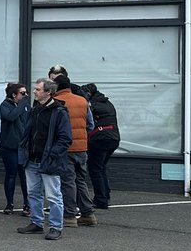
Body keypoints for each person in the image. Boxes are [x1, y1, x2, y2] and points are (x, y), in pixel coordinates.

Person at [17, 79, 73, 240]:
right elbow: (28, 132)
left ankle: (56, 227)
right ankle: (37, 223)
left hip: (48, 160)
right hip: (32, 159)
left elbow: (65, 138)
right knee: (33, 193)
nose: (34, 91)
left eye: (38, 89)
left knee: (54, 195)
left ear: (48, 92)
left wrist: (52, 154)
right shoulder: (36, 110)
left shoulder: (59, 112)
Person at [53, 74, 97, 227]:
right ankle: (88, 213)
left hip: (66, 148)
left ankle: (70, 215)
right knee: (81, 180)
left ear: (57, 86)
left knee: (68, 182)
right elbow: (90, 125)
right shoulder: (83, 101)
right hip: (82, 148)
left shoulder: (58, 102)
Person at [84, 83, 120, 209]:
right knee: (101, 167)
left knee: (95, 168)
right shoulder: (107, 103)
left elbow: (88, 121)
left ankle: (101, 199)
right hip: (114, 138)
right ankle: (105, 195)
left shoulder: (92, 105)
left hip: (100, 139)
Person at [0, 83, 31, 215]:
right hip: (9, 146)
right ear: (14, 94)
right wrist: (23, 104)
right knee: (11, 175)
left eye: (26, 93)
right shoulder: (5, 105)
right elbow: (11, 117)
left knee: (25, 177)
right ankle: (9, 204)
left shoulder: (26, 106)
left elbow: (30, 121)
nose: (26, 96)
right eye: (22, 93)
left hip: (23, 147)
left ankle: (27, 204)